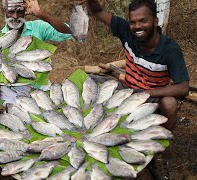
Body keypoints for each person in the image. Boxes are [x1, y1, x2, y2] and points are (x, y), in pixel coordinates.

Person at [75, 0, 189, 179]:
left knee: (170, 103)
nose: (137, 26)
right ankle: (89, 128)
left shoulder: (170, 49)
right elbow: (98, 10)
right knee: (87, 81)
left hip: (152, 97)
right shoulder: (126, 31)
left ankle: (157, 154)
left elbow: (183, 89)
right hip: (127, 88)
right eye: (133, 21)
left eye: (143, 21)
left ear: (155, 21)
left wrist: (149, 93)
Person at [0, 0, 72, 104]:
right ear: (4, 12)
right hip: (12, 91)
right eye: (11, 12)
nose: (15, 16)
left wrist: (40, 14)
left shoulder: (37, 27)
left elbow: (67, 32)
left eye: (19, 12)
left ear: (25, 12)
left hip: (41, 86)